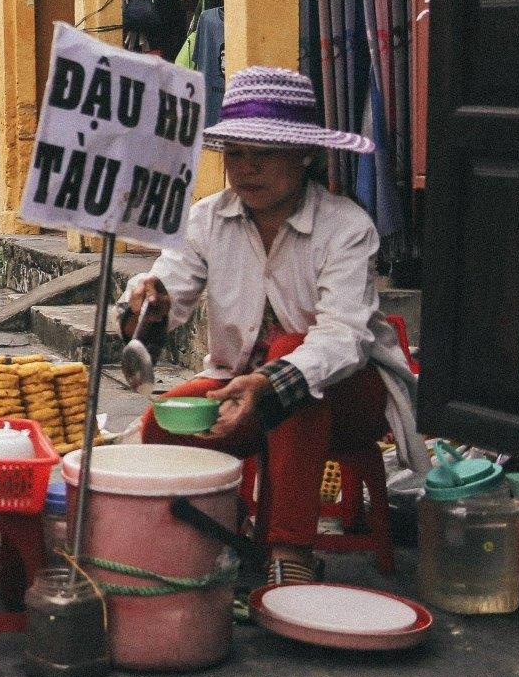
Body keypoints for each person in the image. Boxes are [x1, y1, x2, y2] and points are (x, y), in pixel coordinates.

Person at [122, 67, 427, 585]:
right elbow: (170, 297)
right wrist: (146, 302)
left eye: (265, 154)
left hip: (349, 397)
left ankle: (289, 553)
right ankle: (214, 540)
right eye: (236, 154)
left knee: (294, 368)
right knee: (160, 426)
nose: (247, 170)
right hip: (238, 385)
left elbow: (342, 340)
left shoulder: (346, 227)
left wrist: (266, 384)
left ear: (304, 154)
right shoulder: (207, 220)